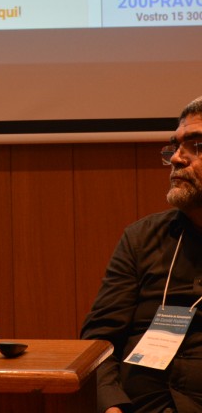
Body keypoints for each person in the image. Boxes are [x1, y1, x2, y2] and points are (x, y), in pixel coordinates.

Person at [81, 96, 202, 412]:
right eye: (174, 147)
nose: (176, 159)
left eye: (196, 146)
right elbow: (98, 341)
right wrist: (111, 406)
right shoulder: (141, 238)